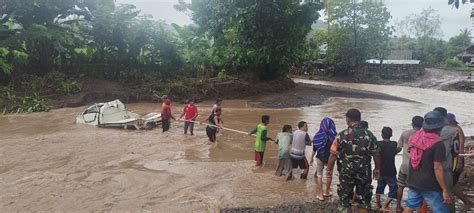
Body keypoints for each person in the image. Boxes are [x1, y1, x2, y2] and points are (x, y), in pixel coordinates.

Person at [326, 108, 381, 212]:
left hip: (346, 172)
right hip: (364, 172)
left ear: (348, 119)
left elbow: (333, 155)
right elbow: (376, 154)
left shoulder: (341, 135)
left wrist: (329, 169)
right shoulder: (369, 135)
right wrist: (377, 168)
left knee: (344, 201)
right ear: (360, 119)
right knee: (363, 202)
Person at [404, 111, 452, 213]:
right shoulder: (438, 143)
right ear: (439, 127)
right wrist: (444, 190)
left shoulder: (414, 137)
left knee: (410, 206)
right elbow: (437, 167)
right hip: (429, 184)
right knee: (441, 210)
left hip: (413, 180)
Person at [396, 115, 424, 212]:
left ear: (412, 124)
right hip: (417, 168)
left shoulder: (405, 134)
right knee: (417, 188)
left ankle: (398, 206)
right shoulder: (423, 136)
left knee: (400, 186)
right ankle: (417, 207)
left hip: (404, 166)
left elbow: (398, 148)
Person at [433, 107, 458, 212]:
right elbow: (455, 151)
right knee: (448, 196)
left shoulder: (426, 130)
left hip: (431, 170)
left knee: (432, 197)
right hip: (445, 169)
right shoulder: (453, 131)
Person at [310, 117, 337, 201]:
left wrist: (311, 158)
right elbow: (337, 148)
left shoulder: (318, 134)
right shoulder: (335, 136)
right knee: (329, 174)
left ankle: (320, 195)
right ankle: (327, 191)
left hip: (320, 157)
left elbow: (315, 148)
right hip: (330, 158)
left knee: (319, 175)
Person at [375, 127, 400, 210]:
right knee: (394, 189)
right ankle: (386, 204)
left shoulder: (377, 143)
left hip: (380, 170)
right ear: (391, 135)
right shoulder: (394, 144)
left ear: (381, 134)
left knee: (379, 188)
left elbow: (375, 153)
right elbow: (397, 150)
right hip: (391, 171)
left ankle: (378, 204)